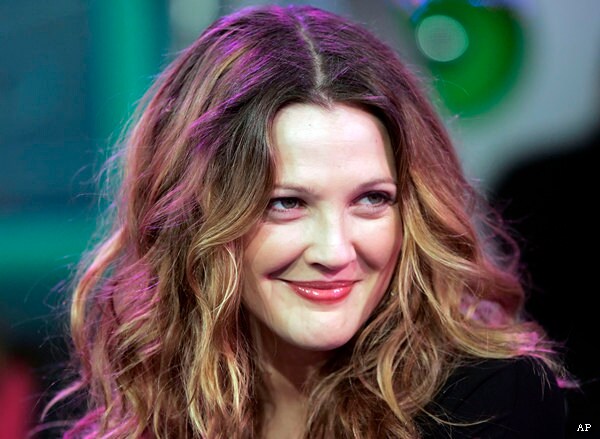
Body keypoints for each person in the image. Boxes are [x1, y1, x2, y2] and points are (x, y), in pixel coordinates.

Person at [41, 4, 570, 438]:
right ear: (197, 217)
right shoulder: (127, 412)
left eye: (372, 199)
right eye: (287, 203)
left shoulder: (497, 405)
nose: (335, 252)